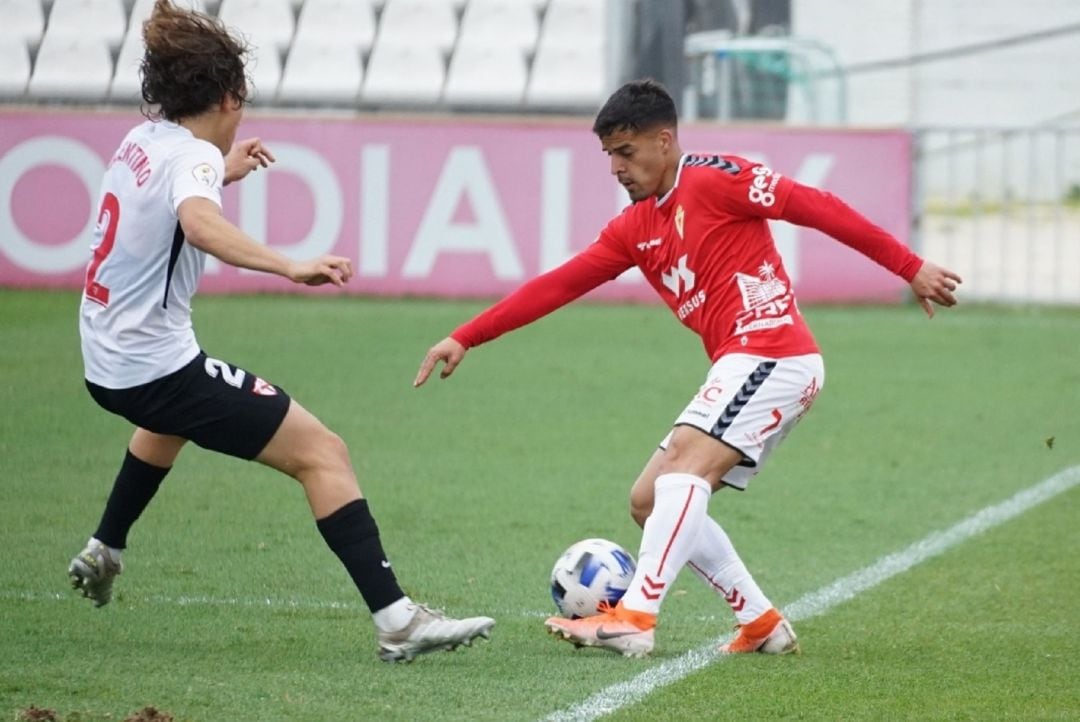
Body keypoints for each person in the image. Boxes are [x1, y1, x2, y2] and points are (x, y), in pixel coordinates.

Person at [414, 78, 960, 657]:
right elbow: (561, 284)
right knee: (649, 499)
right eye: (608, 156)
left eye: (625, 153)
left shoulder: (716, 179)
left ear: (665, 141)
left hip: (773, 351)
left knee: (682, 477)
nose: (616, 168)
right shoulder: (634, 227)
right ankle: (760, 624)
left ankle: (636, 618)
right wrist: (467, 335)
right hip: (747, 362)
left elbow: (815, 206)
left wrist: (909, 266)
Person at [69, 0, 493, 663]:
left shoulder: (143, 140)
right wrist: (289, 263)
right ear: (230, 97)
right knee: (323, 452)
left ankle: (106, 548)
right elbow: (199, 223)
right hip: (152, 367)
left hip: (105, 362)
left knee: (174, 415)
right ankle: (398, 620)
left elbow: (174, 196)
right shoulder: (193, 162)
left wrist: (223, 170)